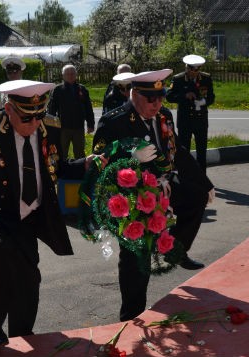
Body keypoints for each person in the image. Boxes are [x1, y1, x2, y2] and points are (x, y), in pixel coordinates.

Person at [0, 79, 106, 353]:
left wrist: (84, 165)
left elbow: (56, 166)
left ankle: (22, 332)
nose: (34, 123)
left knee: (29, 278)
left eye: (39, 114)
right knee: (1, 253)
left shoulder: (49, 128)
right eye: (27, 116)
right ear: (9, 109)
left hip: (29, 216)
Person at [92, 70, 215, 322]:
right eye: (150, 99)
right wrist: (137, 172)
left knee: (196, 195)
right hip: (131, 197)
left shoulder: (164, 116)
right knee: (137, 257)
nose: (156, 104)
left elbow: (176, 150)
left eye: (160, 98)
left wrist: (205, 182)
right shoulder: (114, 121)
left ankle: (173, 250)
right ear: (134, 94)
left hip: (164, 186)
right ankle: (131, 314)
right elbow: (102, 168)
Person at [166, 55, 215, 173]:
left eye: (197, 70)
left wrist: (204, 101)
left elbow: (211, 97)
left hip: (201, 119)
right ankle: (185, 176)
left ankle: (202, 178)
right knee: (184, 150)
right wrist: (184, 96)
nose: (195, 74)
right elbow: (169, 96)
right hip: (185, 120)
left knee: (202, 151)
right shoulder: (178, 79)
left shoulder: (206, 78)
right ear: (187, 68)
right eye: (192, 70)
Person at [47, 64, 95, 159]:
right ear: (63, 75)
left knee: (80, 153)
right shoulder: (57, 90)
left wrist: (91, 124)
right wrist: (51, 126)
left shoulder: (82, 89)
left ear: (76, 75)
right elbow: (51, 109)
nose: (70, 76)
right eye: (67, 74)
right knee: (62, 153)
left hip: (79, 127)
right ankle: (62, 172)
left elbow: (88, 108)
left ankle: (79, 172)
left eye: (72, 73)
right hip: (63, 128)